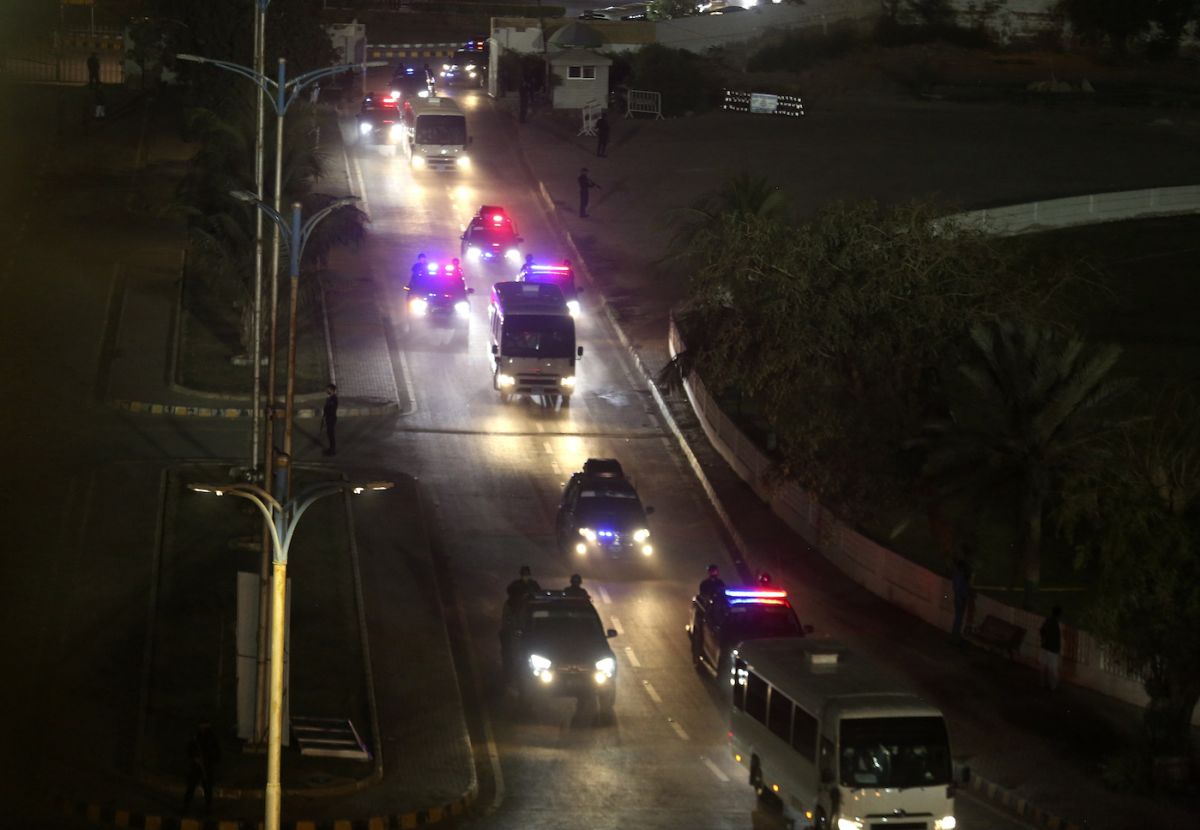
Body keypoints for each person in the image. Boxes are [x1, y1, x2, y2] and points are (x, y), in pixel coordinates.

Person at [183, 721, 220, 813]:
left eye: (205, 725)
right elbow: (190, 748)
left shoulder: (211, 737)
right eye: (202, 725)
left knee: (207, 787)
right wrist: (195, 758)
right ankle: (186, 806)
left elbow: (216, 752)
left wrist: (209, 760)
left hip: (207, 766)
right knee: (191, 786)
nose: (203, 727)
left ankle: (208, 806)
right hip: (196, 766)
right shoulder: (196, 736)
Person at [949, 555, 974, 644]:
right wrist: (960, 598)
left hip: (961, 598)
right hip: (960, 599)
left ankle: (955, 636)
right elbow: (958, 588)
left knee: (959, 618)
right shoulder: (959, 575)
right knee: (958, 619)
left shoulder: (958, 575)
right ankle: (955, 637)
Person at [1039, 606, 1063, 691]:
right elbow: (1057, 638)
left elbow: (1041, 630)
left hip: (1045, 647)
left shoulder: (1048, 620)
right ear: (1059, 614)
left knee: (1043, 666)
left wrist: (1043, 640)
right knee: (1052, 669)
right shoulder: (1056, 624)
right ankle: (1053, 686)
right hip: (1053, 649)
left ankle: (1042, 684)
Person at [321, 384, 338, 456]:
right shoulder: (331, 398)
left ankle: (332, 450)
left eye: (327, 389)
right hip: (329, 418)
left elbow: (330, 409)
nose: (326, 390)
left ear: (331, 390)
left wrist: (326, 417)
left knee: (331, 434)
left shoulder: (333, 398)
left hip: (331, 418)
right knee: (329, 434)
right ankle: (331, 448)